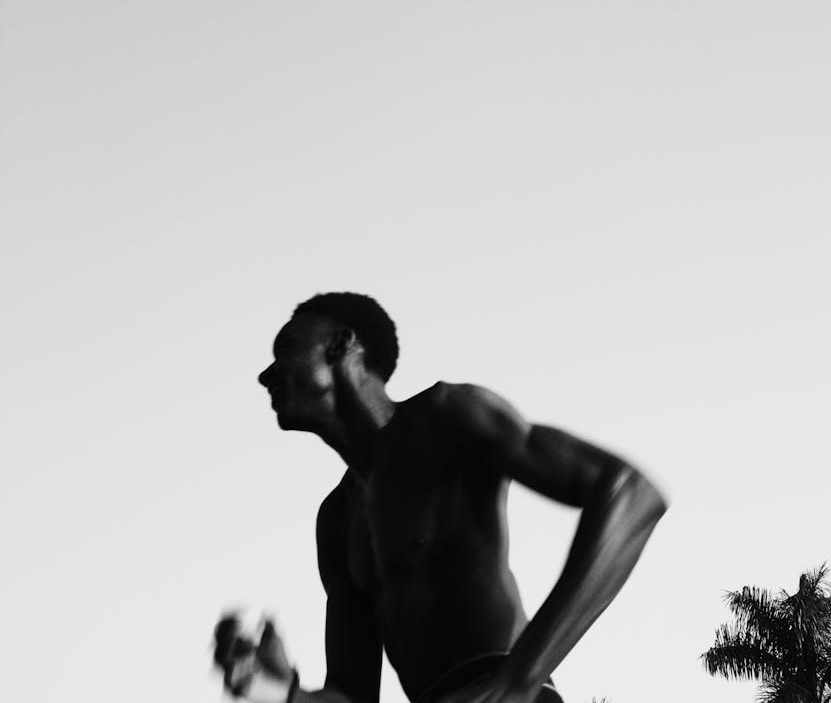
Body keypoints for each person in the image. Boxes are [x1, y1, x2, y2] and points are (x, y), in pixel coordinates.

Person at [214, 292, 666, 703]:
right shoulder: (336, 519)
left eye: (287, 349)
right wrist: (277, 691)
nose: (265, 374)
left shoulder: (446, 418)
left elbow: (633, 495)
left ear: (340, 345)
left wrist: (519, 678)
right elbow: (353, 697)